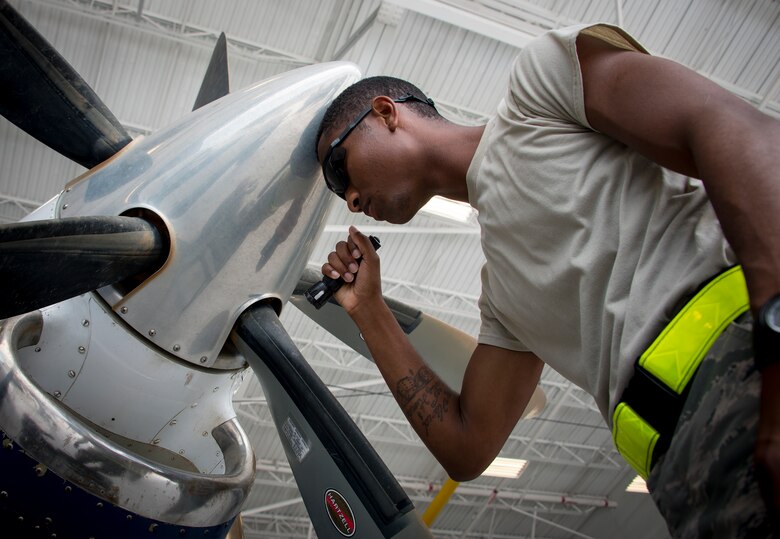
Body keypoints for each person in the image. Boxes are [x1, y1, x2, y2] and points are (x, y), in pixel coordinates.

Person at [314, 23, 780, 537]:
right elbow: (468, 448)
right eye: (342, 196)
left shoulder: (542, 90)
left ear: (385, 113)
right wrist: (369, 310)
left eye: (340, 171)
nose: (351, 200)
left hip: (751, 367)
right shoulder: (504, 301)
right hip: (689, 477)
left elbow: (730, 127)